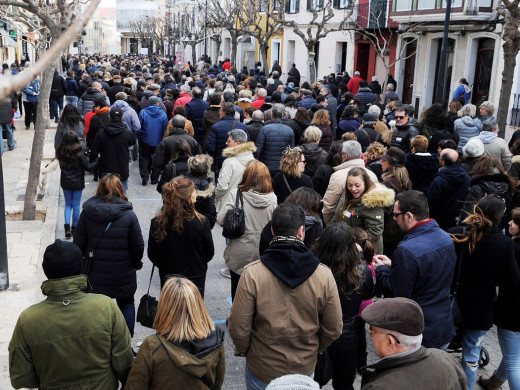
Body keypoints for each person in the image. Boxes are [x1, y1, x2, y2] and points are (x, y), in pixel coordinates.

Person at [228, 202, 342, 389]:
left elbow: (239, 327)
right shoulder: (323, 275)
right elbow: (334, 327)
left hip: (262, 368)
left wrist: (246, 350)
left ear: (272, 231)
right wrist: (314, 348)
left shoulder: (253, 274)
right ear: (301, 232)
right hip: (304, 368)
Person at [8, 240, 134, 390]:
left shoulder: (27, 320)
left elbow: (21, 379)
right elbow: (125, 364)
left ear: (46, 271)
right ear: (80, 267)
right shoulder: (106, 306)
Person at [449, 195, 520, 390]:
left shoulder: (458, 234)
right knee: (472, 356)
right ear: (500, 217)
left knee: (438, 348)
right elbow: (514, 280)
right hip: (482, 306)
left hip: (451, 301)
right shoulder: (504, 243)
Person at [373, 190, 457, 349]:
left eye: (396, 214)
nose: (394, 218)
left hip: (419, 331)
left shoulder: (407, 251)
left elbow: (397, 293)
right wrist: (395, 266)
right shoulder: (445, 237)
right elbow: (429, 271)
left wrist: (382, 270)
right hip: (443, 323)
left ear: (409, 216)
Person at [73, 174, 144, 337]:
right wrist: (135, 262)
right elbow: (138, 246)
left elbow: (78, 244)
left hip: (94, 273)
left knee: (95, 309)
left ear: (99, 189)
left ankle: (98, 343)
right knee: (126, 303)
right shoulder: (129, 215)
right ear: (120, 189)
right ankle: (126, 343)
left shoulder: (87, 213)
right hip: (123, 272)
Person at [125, 277, 225, 389]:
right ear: (198, 306)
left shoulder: (152, 346)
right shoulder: (216, 340)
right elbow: (217, 383)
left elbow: (134, 386)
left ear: (164, 308)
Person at [311, 223, 375, 390]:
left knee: (312, 380)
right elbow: (366, 302)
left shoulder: (312, 268)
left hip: (315, 334)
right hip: (347, 336)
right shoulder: (362, 272)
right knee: (344, 384)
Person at [360, 298, 467, 390]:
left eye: (372, 332)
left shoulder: (379, 387)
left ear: (390, 341)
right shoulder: (447, 359)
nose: (371, 335)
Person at [216, 160, 277, 300]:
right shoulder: (273, 198)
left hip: (239, 250)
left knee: (237, 290)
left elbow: (220, 220)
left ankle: (237, 319)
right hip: (263, 252)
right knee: (258, 292)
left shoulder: (236, 194)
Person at [148, 177, 214, 294]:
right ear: (188, 197)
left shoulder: (157, 222)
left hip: (168, 278)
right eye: (193, 191)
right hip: (195, 277)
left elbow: (153, 254)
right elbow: (209, 252)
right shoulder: (201, 223)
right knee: (193, 310)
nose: (196, 193)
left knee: (170, 310)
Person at [478, 207, 520, 390]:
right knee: (513, 355)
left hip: (512, 311)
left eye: (515, 222)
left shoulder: (513, 248)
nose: (510, 223)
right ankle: (494, 382)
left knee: (513, 361)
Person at [332, 167, 394, 254]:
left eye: (357, 185)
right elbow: (337, 217)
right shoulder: (346, 195)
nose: (353, 189)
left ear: (366, 184)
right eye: (350, 185)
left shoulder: (372, 203)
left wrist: (349, 241)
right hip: (346, 248)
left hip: (364, 252)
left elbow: (375, 233)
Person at [323, 141, 379, 224]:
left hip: (342, 226)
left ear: (345, 156)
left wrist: (331, 225)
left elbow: (329, 206)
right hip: (365, 225)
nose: (353, 189)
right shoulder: (372, 175)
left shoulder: (338, 176)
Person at [56, 131, 97, 238]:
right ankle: (75, 227)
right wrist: (98, 159)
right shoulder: (80, 154)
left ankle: (66, 228)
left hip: (65, 182)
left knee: (68, 204)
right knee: (76, 204)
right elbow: (89, 167)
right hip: (78, 181)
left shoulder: (60, 152)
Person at [89, 106, 135, 191]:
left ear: (109, 117)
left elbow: (94, 151)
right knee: (122, 197)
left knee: (105, 197)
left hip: (105, 171)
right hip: (122, 171)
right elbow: (132, 143)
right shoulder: (127, 133)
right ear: (122, 117)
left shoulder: (101, 133)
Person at [427, 148, 470, 230]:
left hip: (440, 223)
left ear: (442, 162)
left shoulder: (439, 181)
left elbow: (431, 203)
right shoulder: (467, 178)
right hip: (459, 221)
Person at [151, 115, 202, 184]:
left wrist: (154, 178)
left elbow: (158, 161)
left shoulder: (165, 141)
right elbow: (199, 159)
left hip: (170, 176)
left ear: (171, 126)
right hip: (188, 178)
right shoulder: (193, 141)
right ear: (185, 126)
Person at [380, 147, 411, 257]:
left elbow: (386, 209)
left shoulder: (388, 183)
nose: (381, 162)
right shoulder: (405, 180)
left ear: (389, 164)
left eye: (384, 160)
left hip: (389, 232)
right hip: (401, 228)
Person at [215, 129, 256, 212]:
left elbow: (222, 187)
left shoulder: (229, 162)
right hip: (246, 205)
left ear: (237, 144)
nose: (226, 143)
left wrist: (216, 198)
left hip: (228, 205)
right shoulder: (253, 161)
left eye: (229, 141)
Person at [206, 102, 248, 173]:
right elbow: (246, 144)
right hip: (238, 159)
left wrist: (217, 156)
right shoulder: (243, 126)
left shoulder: (216, 126)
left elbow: (210, 147)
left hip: (221, 160)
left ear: (223, 112)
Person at [255, 104, 295, 176]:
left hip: (267, 165)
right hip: (282, 165)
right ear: (282, 116)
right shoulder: (289, 130)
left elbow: (259, 148)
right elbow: (291, 150)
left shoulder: (265, 129)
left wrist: (258, 161)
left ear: (271, 115)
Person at [139, 96, 169, 185]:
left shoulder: (143, 112)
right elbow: (165, 129)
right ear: (157, 103)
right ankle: (154, 179)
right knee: (157, 159)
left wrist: (140, 136)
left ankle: (145, 177)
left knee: (144, 158)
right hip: (158, 140)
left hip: (145, 139)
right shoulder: (163, 114)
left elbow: (139, 126)